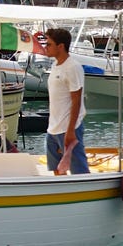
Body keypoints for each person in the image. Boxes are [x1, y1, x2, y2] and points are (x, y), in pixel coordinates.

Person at [43, 26, 89, 176]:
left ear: (60, 46)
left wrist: (70, 131)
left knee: (79, 170)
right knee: (56, 170)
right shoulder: (55, 65)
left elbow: (76, 101)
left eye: (49, 44)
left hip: (69, 128)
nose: (45, 47)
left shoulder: (73, 67)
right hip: (53, 128)